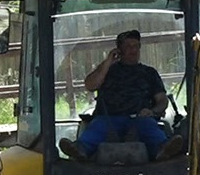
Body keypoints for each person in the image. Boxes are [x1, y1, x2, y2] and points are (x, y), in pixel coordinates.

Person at [59, 29, 184, 162]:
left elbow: (162, 100)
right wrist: (108, 62)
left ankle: (163, 149)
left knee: (150, 127)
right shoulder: (107, 71)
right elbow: (90, 85)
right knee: (97, 127)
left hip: (140, 118)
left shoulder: (149, 73)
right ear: (119, 50)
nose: (133, 50)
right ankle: (79, 150)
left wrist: (152, 111)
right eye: (128, 46)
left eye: (136, 46)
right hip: (108, 118)